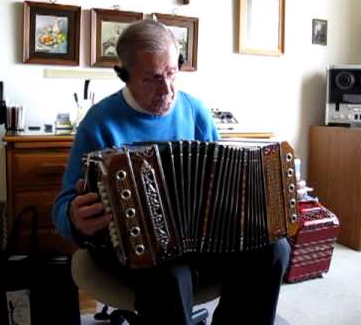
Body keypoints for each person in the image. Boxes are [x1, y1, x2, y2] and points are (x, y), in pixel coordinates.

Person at [53, 19, 290, 325]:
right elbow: (62, 207)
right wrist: (74, 217)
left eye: (171, 74)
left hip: (201, 241)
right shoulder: (98, 124)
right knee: (170, 276)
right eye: (151, 79)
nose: (166, 90)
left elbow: (224, 187)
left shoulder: (196, 112)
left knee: (273, 249)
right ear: (124, 76)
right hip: (132, 249)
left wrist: (271, 195)